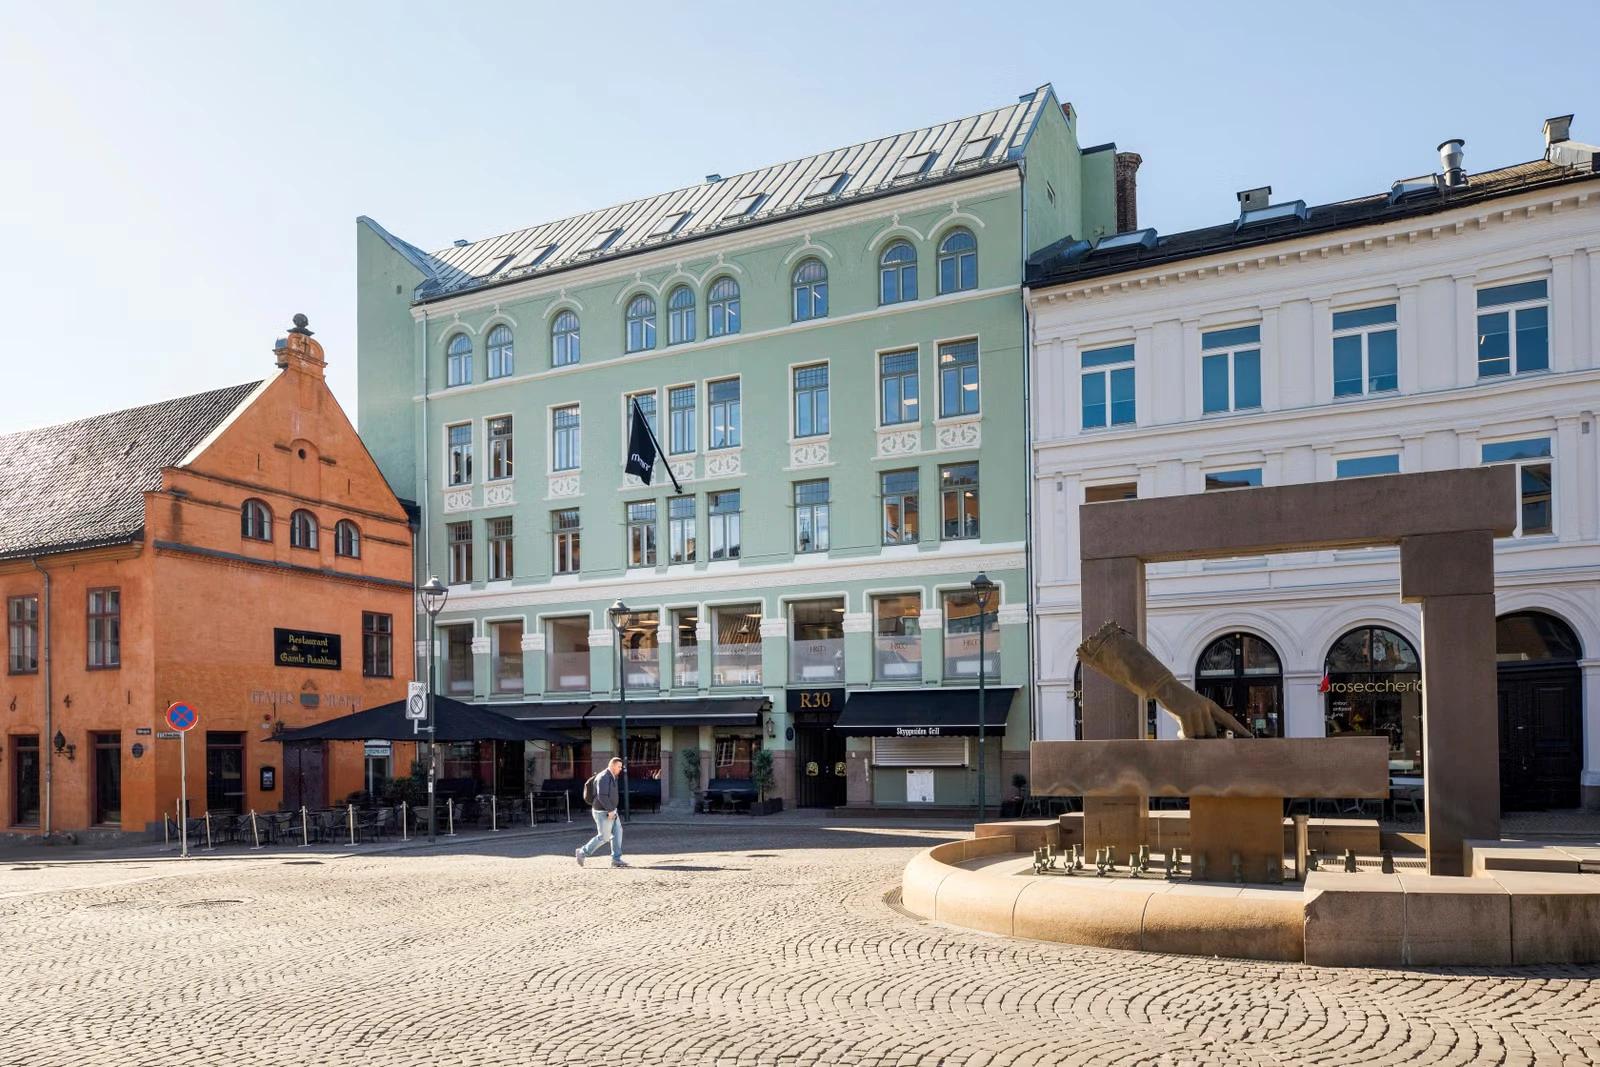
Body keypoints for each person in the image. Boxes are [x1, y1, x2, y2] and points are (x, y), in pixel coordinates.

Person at [576, 756, 628, 868]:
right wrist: (610, 810)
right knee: (604, 837)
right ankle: (582, 852)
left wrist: (612, 810)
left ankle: (616, 859)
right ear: (612, 766)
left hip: (611, 810)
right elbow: (602, 796)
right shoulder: (604, 777)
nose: (620, 769)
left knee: (617, 832)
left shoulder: (612, 776)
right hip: (603, 812)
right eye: (619, 767)